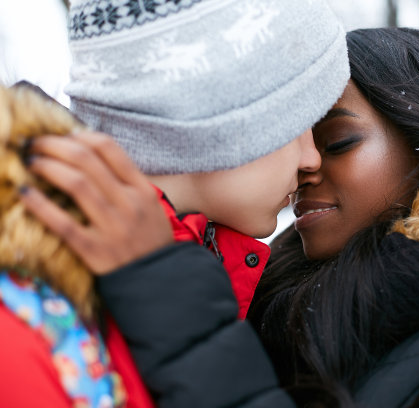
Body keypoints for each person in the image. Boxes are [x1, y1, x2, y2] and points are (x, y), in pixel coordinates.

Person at [24, 28, 419, 408]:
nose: (306, 166)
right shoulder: (282, 295)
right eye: (290, 138)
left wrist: (168, 296)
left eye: (338, 141)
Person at [4, 0, 349, 406]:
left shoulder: (195, 269)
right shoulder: (26, 319)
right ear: (211, 116)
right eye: (297, 122)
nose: (311, 160)